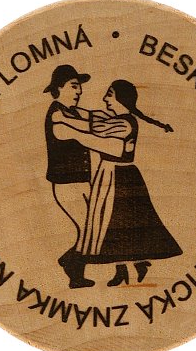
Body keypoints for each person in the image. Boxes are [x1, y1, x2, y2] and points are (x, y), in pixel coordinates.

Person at [54, 79, 183, 287]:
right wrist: (69, 116)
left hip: (117, 176)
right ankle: (124, 269)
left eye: (109, 95)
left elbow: (97, 130)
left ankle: (133, 264)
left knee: (114, 222)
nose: (105, 99)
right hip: (112, 174)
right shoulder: (118, 119)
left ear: (121, 99)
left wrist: (67, 127)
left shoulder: (124, 123)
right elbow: (92, 117)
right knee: (116, 225)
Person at [44, 65, 124, 289]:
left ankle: (71, 263)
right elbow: (79, 129)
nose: (79, 91)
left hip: (83, 180)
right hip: (66, 183)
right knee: (87, 229)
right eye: (74, 86)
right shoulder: (56, 113)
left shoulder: (75, 112)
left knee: (95, 228)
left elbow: (95, 117)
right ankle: (74, 271)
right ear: (59, 87)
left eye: (79, 86)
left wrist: (117, 116)